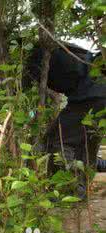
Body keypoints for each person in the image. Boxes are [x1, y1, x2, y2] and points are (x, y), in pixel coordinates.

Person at [23, 43, 106, 198]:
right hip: (93, 92)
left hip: (90, 95)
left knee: (57, 140)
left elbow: (21, 91)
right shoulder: (59, 48)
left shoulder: (33, 58)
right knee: (87, 141)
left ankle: (67, 191)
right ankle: (79, 188)